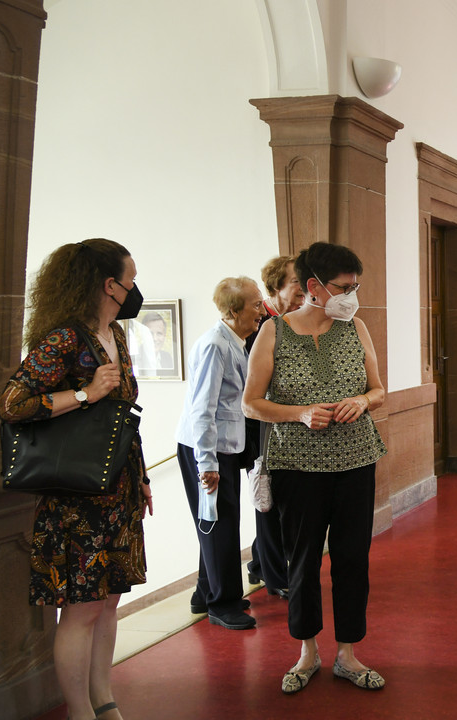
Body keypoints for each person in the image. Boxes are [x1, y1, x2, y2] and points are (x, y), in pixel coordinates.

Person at [0, 238, 153, 720]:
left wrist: (142, 474)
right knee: (81, 610)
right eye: (130, 280)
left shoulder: (118, 336)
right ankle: (80, 711)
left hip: (118, 488)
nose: (134, 289)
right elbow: (12, 404)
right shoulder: (65, 339)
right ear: (110, 285)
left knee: (107, 604)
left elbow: (124, 414)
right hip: (78, 498)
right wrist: (85, 395)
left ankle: (103, 699)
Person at [243, 242, 387, 694]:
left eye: (355, 286)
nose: (352, 295)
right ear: (313, 287)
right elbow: (251, 404)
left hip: (355, 463)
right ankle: (307, 650)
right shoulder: (274, 333)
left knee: (351, 559)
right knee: (302, 562)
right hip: (297, 468)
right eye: (344, 287)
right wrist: (300, 413)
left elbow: (379, 389)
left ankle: (347, 653)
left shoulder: (356, 327)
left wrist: (362, 401)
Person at [175, 277, 266, 630]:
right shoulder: (216, 345)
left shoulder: (236, 341)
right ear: (233, 311)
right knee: (219, 525)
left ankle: (205, 593)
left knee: (216, 523)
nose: (261, 311)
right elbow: (202, 409)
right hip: (206, 448)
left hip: (224, 446)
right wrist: (207, 463)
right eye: (255, 305)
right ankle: (222, 604)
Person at [243, 255, 305, 600]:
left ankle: (259, 565)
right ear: (276, 286)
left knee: (274, 500)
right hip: (258, 429)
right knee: (266, 501)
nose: (303, 289)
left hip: (280, 426)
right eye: (296, 281)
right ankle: (276, 577)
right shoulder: (262, 325)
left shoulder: (288, 320)